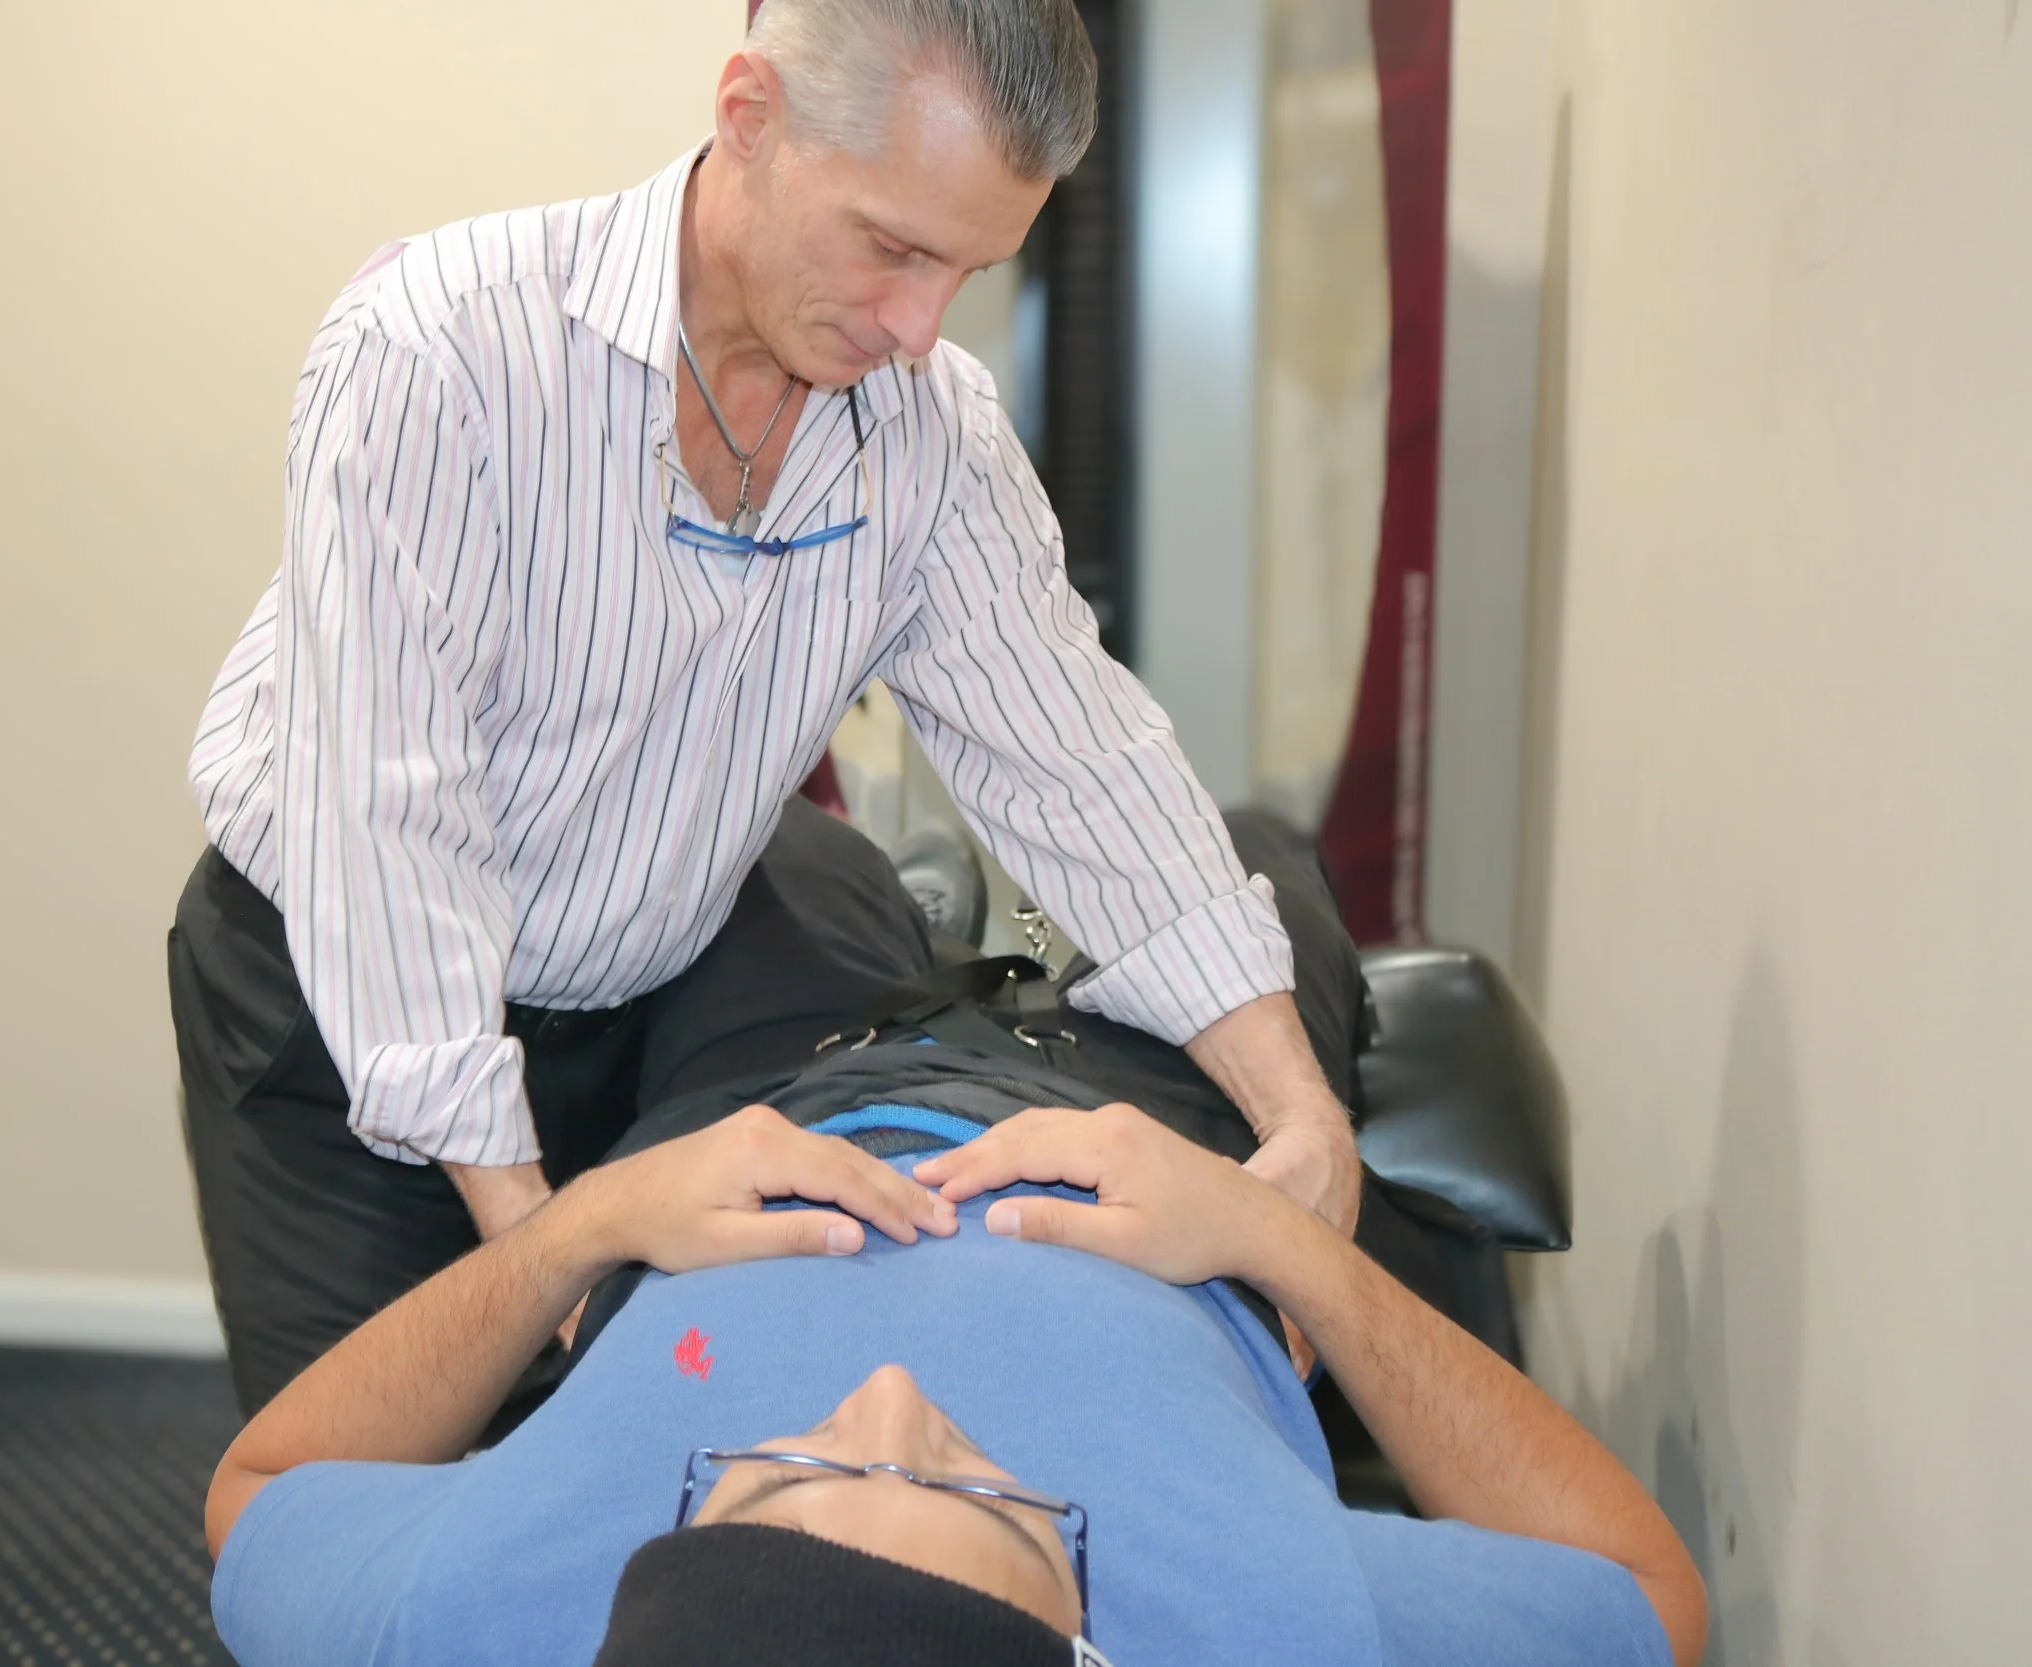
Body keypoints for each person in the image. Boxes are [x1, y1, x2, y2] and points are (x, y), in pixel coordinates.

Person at [169, 0, 1368, 1417]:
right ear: (750, 116)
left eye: (973, 269)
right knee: (359, 1534)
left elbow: (1082, 770)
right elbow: (390, 818)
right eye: (895, 247)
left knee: (649, 1508)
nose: (922, 330)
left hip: (640, 1001)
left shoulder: (934, 436)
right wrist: (530, 1230)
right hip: (346, 1008)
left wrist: (1304, 1115)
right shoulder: (438, 355)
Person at [198, 811, 1708, 1665]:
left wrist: (578, 1230)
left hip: (761, 1116)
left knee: (776, 860)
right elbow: (1652, 1595)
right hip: (1163, 1131)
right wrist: (1268, 1228)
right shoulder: (1282, 1627)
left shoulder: (480, 1614)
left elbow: (256, 1483)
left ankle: (895, 902)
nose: (892, 1399)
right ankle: (964, 924)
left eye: (775, 1474)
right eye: (981, 1495)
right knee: (1238, 853)